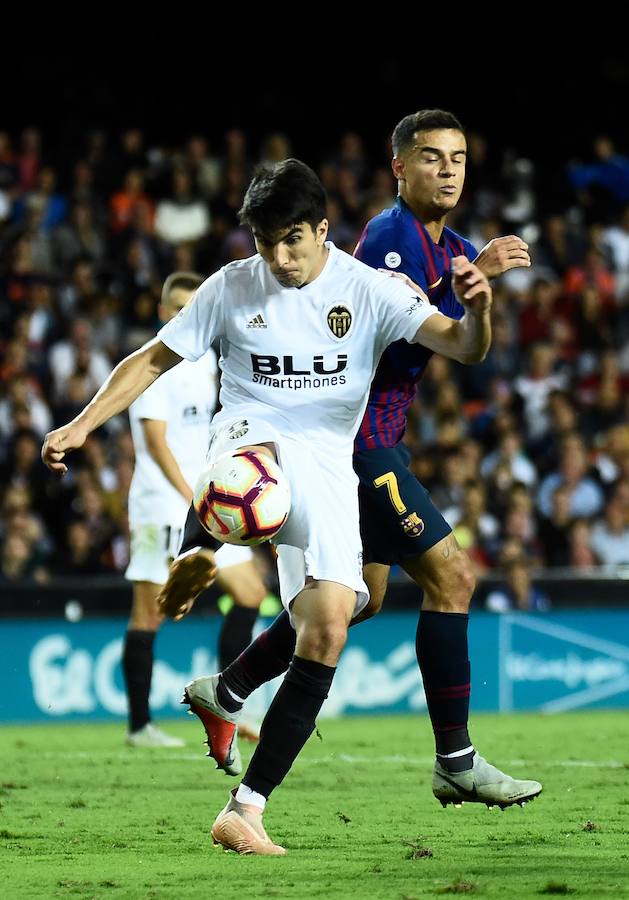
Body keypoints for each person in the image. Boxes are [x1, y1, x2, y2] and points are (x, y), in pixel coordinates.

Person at [42, 157, 540, 857]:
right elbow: (152, 359)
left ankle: (245, 808)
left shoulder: (369, 289)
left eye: (293, 241)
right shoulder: (231, 287)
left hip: (333, 463)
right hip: (253, 435)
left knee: (334, 622)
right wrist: (78, 425)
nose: (278, 258)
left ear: (323, 230)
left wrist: (480, 309)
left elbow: (462, 346)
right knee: (257, 481)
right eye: (265, 242)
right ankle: (206, 547)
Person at [158, 111, 541, 823]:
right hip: (356, 446)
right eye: (431, 158)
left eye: (458, 157)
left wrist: (476, 301)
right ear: (400, 167)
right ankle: (454, 761)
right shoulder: (392, 240)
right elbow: (386, 346)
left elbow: (462, 342)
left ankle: (230, 688)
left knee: (358, 601)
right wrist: (463, 294)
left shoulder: (453, 245)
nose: (448, 170)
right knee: (451, 577)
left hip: (376, 442)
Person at [122, 271, 267, 748]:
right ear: (165, 312)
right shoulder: (156, 365)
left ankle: (228, 701)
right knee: (149, 613)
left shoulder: (205, 363)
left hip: (205, 503)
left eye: (193, 308)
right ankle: (140, 726)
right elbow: (155, 442)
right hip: (163, 504)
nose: (187, 316)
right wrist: (191, 494)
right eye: (179, 308)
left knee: (250, 592)